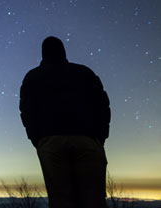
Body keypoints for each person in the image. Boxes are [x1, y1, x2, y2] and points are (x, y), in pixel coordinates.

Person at [19, 36, 110, 208]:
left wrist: (38, 140)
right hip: (87, 140)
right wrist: (100, 137)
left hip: (51, 143)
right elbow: (102, 105)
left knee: (60, 199)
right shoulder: (84, 72)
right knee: (93, 198)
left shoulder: (33, 76)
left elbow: (27, 111)